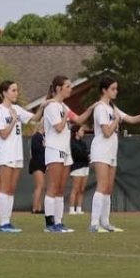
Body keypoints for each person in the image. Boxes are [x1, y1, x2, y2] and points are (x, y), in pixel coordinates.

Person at [87, 76, 140, 233]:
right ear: (104, 90)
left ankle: (105, 222)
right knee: (102, 186)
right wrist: (116, 120)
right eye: (113, 89)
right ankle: (94, 224)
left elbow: (132, 119)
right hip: (101, 150)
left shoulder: (112, 108)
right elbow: (107, 132)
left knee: (108, 188)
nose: (116, 91)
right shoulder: (101, 108)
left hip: (111, 152)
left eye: (116, 88)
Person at [38, 76, 87, 233]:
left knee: (60, 188)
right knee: (52, 187)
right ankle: (49, 223)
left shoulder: (62, 106)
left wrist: (92, 108)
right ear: (58, 88)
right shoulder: (52, 106)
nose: (70, 89)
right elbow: (59, 128)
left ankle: (58, 222)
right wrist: (66, 115)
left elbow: (78, 119)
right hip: (54, 149)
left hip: (65, 150)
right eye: (67, 86)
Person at [0, 79, 33, 233]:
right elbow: (4, 134)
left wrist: (46, 105)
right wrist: (13, 120)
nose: (16, 93)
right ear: (4, 93)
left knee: (11, 189)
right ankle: (3, 223)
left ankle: (7, 222)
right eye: (13, 90)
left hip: (17, 154)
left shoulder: (17, 108)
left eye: (16, 90)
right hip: (5, 154)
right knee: (4, 188)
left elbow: (34, 118)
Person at [68, 124, 90, 216]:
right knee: (75, 189)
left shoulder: (83, 143)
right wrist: (86, 156)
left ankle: (79, 208)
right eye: (81, 130)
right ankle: (71, 209)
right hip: (77, 167)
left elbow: (86, 153)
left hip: (85, 166)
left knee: (82, 189)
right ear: (76, 132)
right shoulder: (72, 142)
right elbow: (77, 155)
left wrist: (86, 156)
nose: (83, 132)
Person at [28, 128, 46, 214]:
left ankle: (39, 207)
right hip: (37, 163)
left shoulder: (44, 137)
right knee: (39, 185)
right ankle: (35, 208)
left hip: (43, 164)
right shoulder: (36, 137)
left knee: (42, 187)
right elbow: (37, 151)